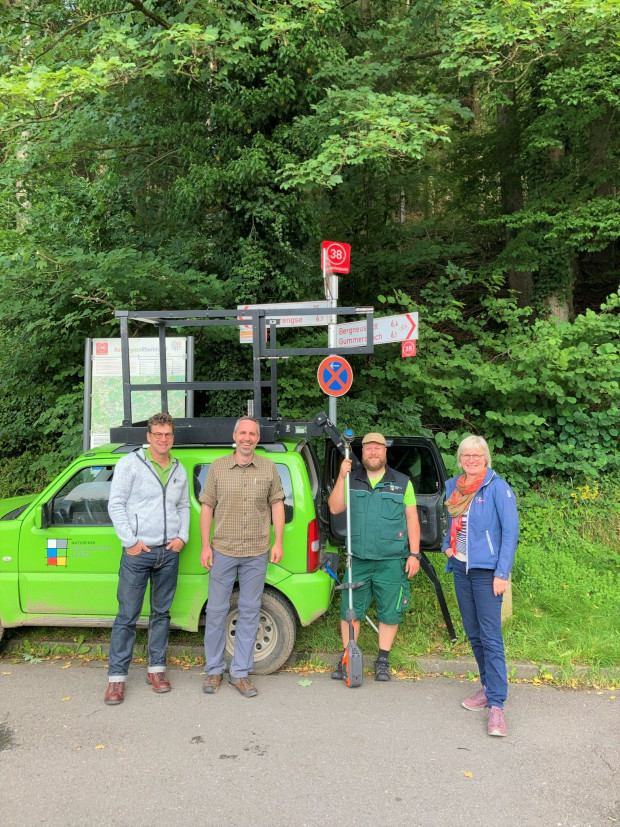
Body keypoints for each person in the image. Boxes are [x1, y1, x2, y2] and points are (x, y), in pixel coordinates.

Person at [105, 412, 190, 705]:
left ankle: (156, 670)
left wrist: (183, 537)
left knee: (161, 614)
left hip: (169, 552)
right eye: (158, 435)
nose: (163, 439)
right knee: (127, 617)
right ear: (148, 437)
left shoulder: (179, 469)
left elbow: (184, 507)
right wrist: (130, 542)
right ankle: (116, 680)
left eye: (167, 435)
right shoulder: (130, 464)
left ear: (172, 437)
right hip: (138, 553)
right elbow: (115, 504)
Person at [200, 417, 285, 698]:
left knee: (250, 611)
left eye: (253, 434)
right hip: (223, 550)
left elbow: (277, 505)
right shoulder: (218, 467)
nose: (247, 438)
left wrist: (278, 542)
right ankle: (213, 670)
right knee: (216, 611)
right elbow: (207, 508)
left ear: (258, 439)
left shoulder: (269, 468)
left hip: (257, 553)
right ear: (235, 436)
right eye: (243, 433)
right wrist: (205, 546)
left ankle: (240, 674)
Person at [442, 435, 519, 737]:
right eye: (466, 455)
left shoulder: (497, 488)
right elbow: (445, 519)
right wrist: (448, 549)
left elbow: (510, 533)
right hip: (461, 568)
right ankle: (487, 687)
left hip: (488, 573)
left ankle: (497, 705)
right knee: (473, 633)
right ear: (460, 458)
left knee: (490, 636)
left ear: (486, 458)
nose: (471, 460)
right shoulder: (453, 487)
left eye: (477, 455)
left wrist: (502, 573)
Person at [328, 432, 421, 682]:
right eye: (368, 448)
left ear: (384, 452)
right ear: (363, 452)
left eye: (377, 448)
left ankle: (382, 659)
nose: (373, 452)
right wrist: (341, 476)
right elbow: (335, 507)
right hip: (357, 559)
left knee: (390, 612)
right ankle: (349, 656)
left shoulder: (402, 482)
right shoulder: (351, 480)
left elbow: (412, 519)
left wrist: (415, 554)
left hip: (392, 561)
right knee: (351, 611)